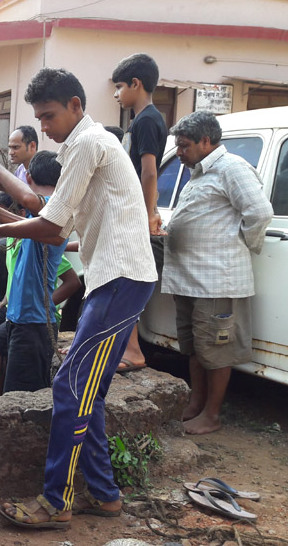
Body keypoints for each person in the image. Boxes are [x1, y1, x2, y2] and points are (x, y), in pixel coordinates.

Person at [0, 68, 157, 529]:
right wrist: (4, 212)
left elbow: (53, 226)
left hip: (120, 278)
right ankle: (103, 495)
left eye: (49, 116)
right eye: (39, 119)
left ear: (76, 105)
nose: (45, 127)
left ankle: (56, 500)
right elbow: (58, 214)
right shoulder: (91, 143)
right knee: (87, 393)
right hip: (116, 277)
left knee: (69, 386)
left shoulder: (86, 142)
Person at [163, 111, 272, 435]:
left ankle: (212, 415)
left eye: (183, 146)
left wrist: (237, 247)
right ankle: (197, 404)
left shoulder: (232, 168)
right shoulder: (199, 172)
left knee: (216, 350)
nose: (179, 152)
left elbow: (260, 213)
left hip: (216, 280)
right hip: (190, 279)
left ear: (206, 141)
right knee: (196, 348)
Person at [0, 150, 79, 396]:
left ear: (29, 178)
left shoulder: (52, 210)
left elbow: (24, 200)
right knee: (17, 389)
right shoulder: (43, 216)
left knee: (24, 398)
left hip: (33, 324)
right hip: (22, 320)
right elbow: (18, 203)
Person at [112, 53, 169, 373]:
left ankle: (132, 351)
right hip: (135, 212)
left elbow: (149, 172)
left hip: (136, 215)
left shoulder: (147, 119)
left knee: (126, 283)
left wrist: (147, 214)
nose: (116, 94)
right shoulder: (145, 119)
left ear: (136, 84)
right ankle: (127, 348)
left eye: (119, 87)